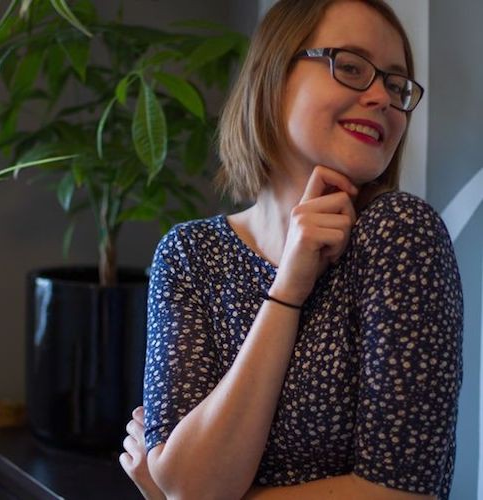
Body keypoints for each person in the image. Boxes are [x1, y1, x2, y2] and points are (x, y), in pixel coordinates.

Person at [119, 0, 463, 498]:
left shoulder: (400, 235)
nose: (381, 98)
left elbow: (402, 493)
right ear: (274, 75)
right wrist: (288, 289)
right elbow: (189, 482)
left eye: (395, 84)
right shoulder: (189, 254)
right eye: (350, 67)